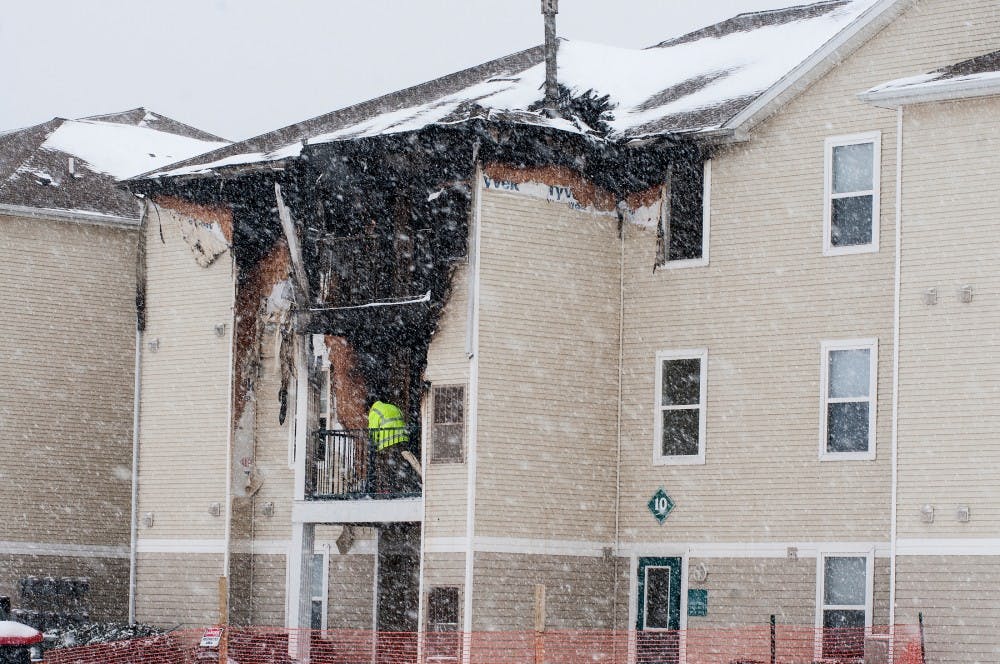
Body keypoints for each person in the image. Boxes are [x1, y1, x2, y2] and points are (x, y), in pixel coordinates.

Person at [367, 397, 416, 494]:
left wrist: (373, 445)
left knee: (385, 466)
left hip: (387, 442)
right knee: (400, 465)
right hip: (402, 439)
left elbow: (373, 431)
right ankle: (403, 488)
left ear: (370, 407)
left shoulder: (374, 411)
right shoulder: (393, 407)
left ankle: (388, 489)